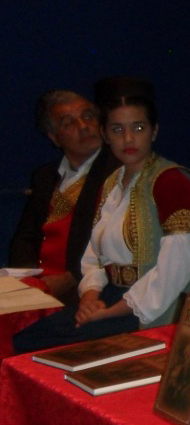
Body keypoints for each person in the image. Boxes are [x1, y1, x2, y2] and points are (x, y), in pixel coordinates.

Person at [13, 78, 190, 352]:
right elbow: (94, 255)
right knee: (27, 339)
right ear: (105, 135)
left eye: (138, 128)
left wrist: (109, 312)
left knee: (40, 346)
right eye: (117, 129)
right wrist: (90, 296)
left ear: (154, 131)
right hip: (113, 299)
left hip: (164, 307)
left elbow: (176, 270)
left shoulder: (171, 181)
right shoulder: (112, 184)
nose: (128, 139)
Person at [8, 90, 120, 303]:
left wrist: (72, 278)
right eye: (69, 123)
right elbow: (26, 237)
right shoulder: (45, 176)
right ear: (54, 137)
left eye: (88, 116)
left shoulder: (118, 171)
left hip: (89, 290)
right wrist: (27, 277)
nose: (84, 126)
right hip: (41, 286)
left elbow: (116, 244)